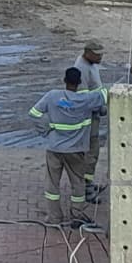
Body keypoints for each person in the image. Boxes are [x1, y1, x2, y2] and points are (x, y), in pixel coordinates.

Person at [29, 67, 108, 227]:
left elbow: (34, 113)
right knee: (77, 184)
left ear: (64, 80)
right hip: (76, 151)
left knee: (52, 184)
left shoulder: (52, 96)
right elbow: (105, 95)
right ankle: (77, 216)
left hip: (54, 149)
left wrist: (47, 129)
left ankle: (54, 217)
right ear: (79, 83)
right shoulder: (87, 99)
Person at [73, 39, 108, 202]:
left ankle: (88, 182)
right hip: (87, 120)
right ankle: (86, 188)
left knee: (93, 152)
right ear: (88, 53)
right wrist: (100, 106)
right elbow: (83, 98)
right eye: (97, 55)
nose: (101, 58)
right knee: (90, 152)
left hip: (93, 115)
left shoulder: (91, 65)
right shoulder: (81, 68)